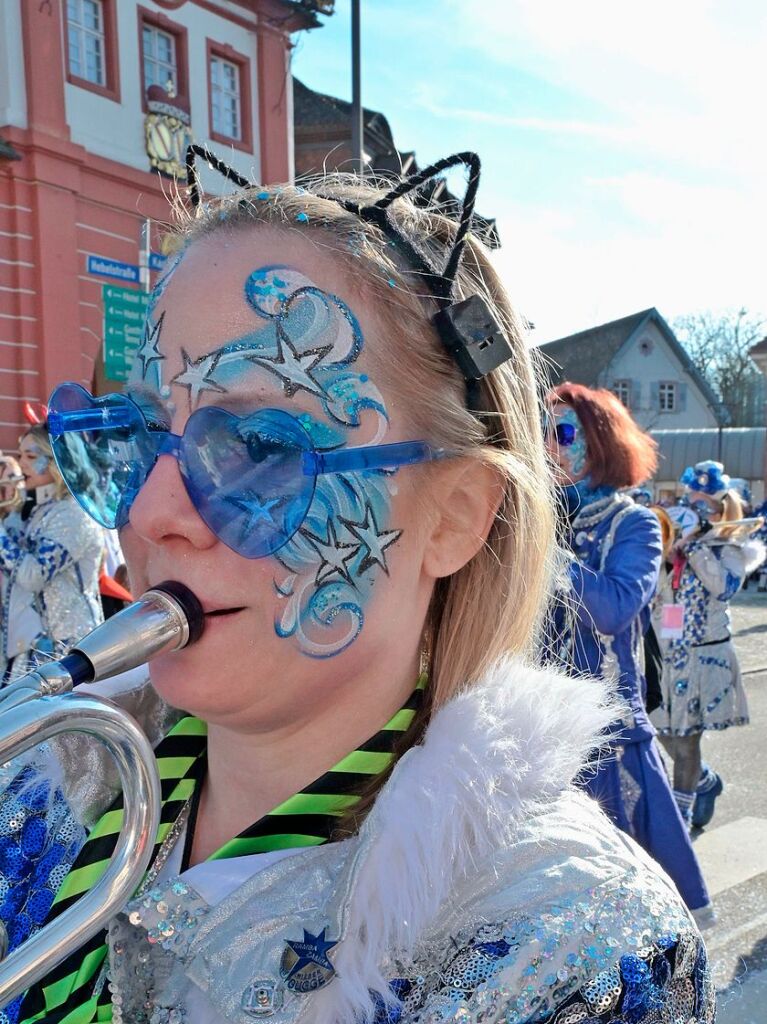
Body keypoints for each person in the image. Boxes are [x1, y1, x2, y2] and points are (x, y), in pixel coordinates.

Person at [0, 154, 714, 1024]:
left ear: (452, 517)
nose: (150, 514)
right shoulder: (43, 790)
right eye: (140, 434)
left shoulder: (578, 943)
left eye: (259, 449)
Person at [544, 383, 711, 917]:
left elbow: (615, 607)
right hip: (542, 734)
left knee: (629, 905)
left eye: (565, 432)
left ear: (599, 442)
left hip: (610, 739)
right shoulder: (547, 522)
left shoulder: (633, 522)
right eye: (543, 433)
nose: (551, 445)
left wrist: (544, 556)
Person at [652, 460, 764, 829]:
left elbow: (723, 586)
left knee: (686, 744)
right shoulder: (676, 552)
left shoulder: (728, 549)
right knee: (663, 734)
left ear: (720, 510)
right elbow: (662, 607)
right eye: (690, 503)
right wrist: (666, 559)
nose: (693, 512)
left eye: (703, 507)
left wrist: (695, 547)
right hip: (670, 658)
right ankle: (704, 782)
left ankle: (679, 823)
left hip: (705, 661)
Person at [0, 424, 104, 680]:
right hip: (32, 648)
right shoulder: (39, 511)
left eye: (31, 456)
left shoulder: (73, 514)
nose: (21, 464)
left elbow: (32, 576)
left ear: (57, 461)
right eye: (21, 455)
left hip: (70, 650)